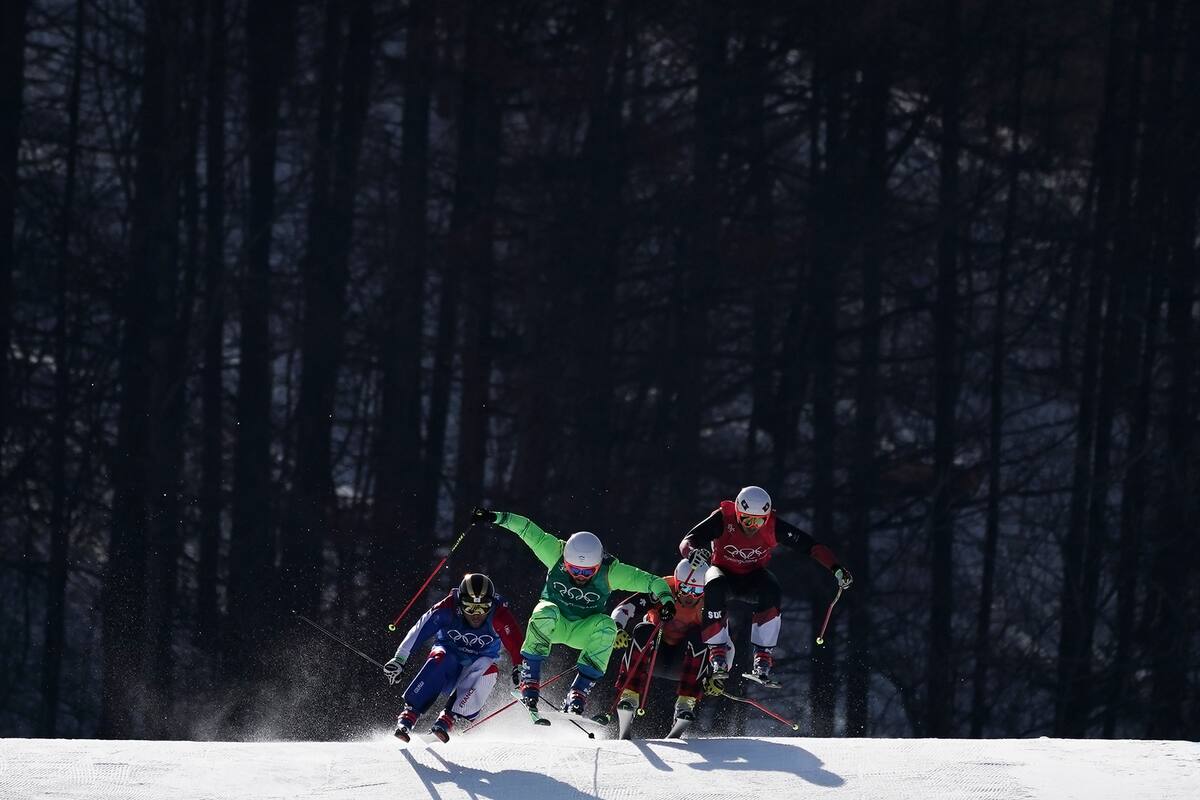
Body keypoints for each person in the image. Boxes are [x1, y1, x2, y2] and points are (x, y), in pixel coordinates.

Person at [470, 506, 675, 718]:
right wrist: (494, 517)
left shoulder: (610, 571)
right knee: (546, 610)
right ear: (566, 561)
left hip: (582, 630)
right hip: (553, 624)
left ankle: (577, 693)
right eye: (574, 569)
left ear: (597, 566)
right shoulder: (554, 552)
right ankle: (529, 680)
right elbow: (527, 529)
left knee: (607, 626)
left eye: (588, 572)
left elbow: (652, 582)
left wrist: (667, 600)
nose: (580, 576)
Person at [679, 485, 852, 686]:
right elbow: (688, 540)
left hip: (753, 577)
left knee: (771, 588)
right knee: (713, 584)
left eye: (759, 520)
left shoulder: (773, 526)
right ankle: (717, 651)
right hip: (724, 574)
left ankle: (763, 656)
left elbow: (810, 545)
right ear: (737, 512)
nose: (752, 526)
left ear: (766, 517)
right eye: (747, 519)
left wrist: (836, 568)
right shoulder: (723, 519)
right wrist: (691, 553)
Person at [383, 572, 523, 742]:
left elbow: (517, 645)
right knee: (441, 656)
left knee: (490, 668)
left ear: (491, 604)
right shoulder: (447, 608)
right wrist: (400, 659)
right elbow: (419, 630)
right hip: (447, 664)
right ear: (460, 602)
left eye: (483, 608)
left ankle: (449, 717)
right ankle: (410, 713)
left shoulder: (500, 615)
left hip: (474, 670)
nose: (476, 615)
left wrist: (520, 667)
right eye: (469, 607)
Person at [609, 557, 713, 733]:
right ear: (677, 582)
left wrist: (717, 674)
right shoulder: (661, 588)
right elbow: (624, 608)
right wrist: (617, 629)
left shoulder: (710, 603)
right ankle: (629, 696)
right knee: (643, 629)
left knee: (701, 636)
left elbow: (723, 640)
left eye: (697, 592)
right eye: (685, 588)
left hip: (684, 664)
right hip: (652, 656)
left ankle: (685, 704)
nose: (690, 596)